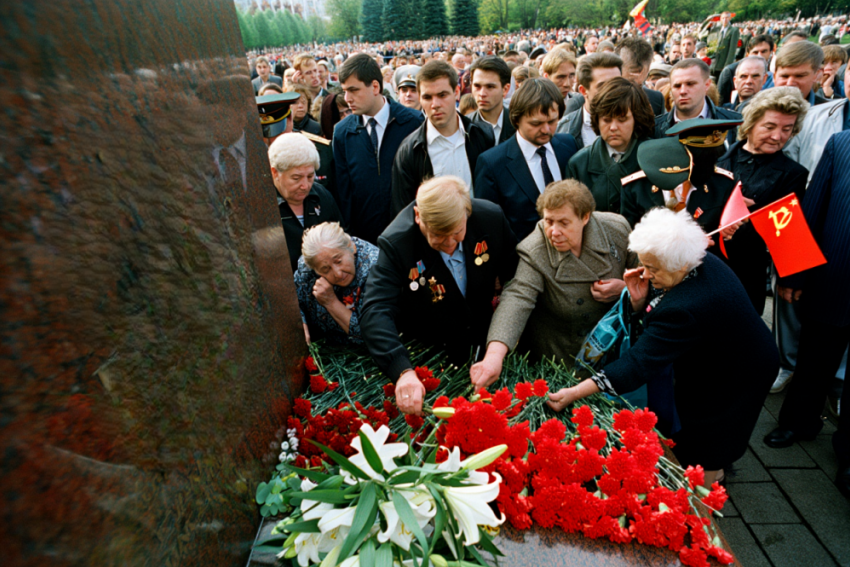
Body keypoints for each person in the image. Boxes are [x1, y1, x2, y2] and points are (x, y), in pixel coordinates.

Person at [548, 207, 778, 483]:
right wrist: (637, 301)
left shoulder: (687, 307)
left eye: (652, 268)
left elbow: (638, 363)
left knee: (706, 442)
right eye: (644, 264)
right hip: (716, 356)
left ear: (679, 264)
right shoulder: (693, 260)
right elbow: (660, 310)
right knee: (691, 426)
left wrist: (574, 392)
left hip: (738, 373)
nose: (644, 273)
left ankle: (707, 492)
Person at [360, 176, 518, 415]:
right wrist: (402, 371)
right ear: (417, 216)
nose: (449, 244)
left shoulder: (490, 218)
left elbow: (516, 278)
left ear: (467, 213)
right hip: (431, 353)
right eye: (438, 236)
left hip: (487, 344)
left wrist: (498, 346)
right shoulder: (397, 243)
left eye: (456, 233)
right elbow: (375, 310)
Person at [471, 180, 637, 387]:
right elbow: (517, 298)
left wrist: (625, 290)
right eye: (549, 221)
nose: (554, 232)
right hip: (561, 362)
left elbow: (646, 277)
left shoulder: (616, 229)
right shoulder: (535, 250)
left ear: (585, 217)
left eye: (563, 223)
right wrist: (493, 357)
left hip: (613, 356)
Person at [763, 130, 850, 499]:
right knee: (815, 354)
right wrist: (792, 272)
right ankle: (799, 422)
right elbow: (813, 207)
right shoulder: (841, 143)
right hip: (835, 276)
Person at [717, 87, 809, 315]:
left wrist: (751, 210)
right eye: (769, 127)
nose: (778, 136)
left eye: (787, 129)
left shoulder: (793, 174)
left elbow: (787, 231)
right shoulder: (718, 159)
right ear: (750, 124)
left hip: (748, 275)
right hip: (707, 266)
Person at [333, 53, 424, 244]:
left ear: (375, 86)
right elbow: (344, 194)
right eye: (344, 91)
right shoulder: (342, 132)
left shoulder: (414, 122)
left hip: (411, 236)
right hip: (365, 242)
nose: (347, 99)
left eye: (353, 90)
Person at [475, 78, 580, 240]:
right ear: (516, 119)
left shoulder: (568, 145)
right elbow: (488, 227)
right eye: (536, 123)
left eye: (552, 121)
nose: (546, 130)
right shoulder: (492, 163)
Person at [390, 60, 495, 215]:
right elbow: (404, 213)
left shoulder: (482, 134)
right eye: (427, 97)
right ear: (420, 98)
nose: (435, 104)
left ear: (457, 92)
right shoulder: (410, 151)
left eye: (442, 95)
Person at [622, 118, 741, 234]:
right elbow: (628, 238)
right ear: (683, 154)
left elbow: (732, 237)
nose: (707, 166)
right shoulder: (636, 187)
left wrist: (726, 234)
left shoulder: (722, 184)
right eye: (702, 160)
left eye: (712, 159)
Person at [567, 78, 655, 213]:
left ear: (636, 119)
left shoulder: (655, 157)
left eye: (622, 119)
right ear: (596, 119)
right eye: (606, 120)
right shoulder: (579, 164)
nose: (613, 127)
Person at [268, 133, 343, 272]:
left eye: (310, 176)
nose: (305, 186)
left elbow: (343, 240)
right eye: (296, 178)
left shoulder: (322, 196)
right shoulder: (261, 206)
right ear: (275, 173)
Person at [294, 222, 379, 345]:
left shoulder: (374, 268)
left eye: (339, 261)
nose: (338, 274)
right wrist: (301, 325)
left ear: (352, 247)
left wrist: (331, 302)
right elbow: (291, 303)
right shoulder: (307, 270)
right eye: (325, 269)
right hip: (324, 347)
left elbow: (372, 335)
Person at [655, 59, 742, 138]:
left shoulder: (734, 123)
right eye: (677, 86)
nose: (683, 91)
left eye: (690, 84)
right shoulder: (655, 129)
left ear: (707, 85)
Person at [556, 52, 623, 149]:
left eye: (617, 85)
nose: (612, 92)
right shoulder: (563, 130)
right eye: (603, 86)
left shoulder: (639, 124)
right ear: (583, 91)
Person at [468, 56, 517, 144]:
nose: (482, 94)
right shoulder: (463, 128)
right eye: (477, 86)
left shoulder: (519, 124)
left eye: (490, 87)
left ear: (505, 89)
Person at [718, 34, 776, 105]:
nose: (760, 56)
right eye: (755, 52)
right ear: (748, 54)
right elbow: (720, 103)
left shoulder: (772, 75)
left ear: (771, 52)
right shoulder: (730, 71)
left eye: (764, 51)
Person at [615, 37, 666, 115]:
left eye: (637, 70)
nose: (636, 76)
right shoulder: (605, 95)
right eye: (632, 69)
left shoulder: (656, 99)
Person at [774, 40, 828, 106]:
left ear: (817, 75)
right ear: (774, 76)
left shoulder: (828, 113)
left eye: (799, 76)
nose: (790, 83)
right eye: (784, 76)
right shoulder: (759, 109)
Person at [710, 12, 741, 81]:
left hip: (723, 64)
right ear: (720, 19)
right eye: (723, 18)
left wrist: (727, 66)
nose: (725, 19)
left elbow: (732, 50)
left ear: (730, 18)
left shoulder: (733, 30)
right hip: (714, 64)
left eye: (727, 17)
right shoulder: (718, 30)